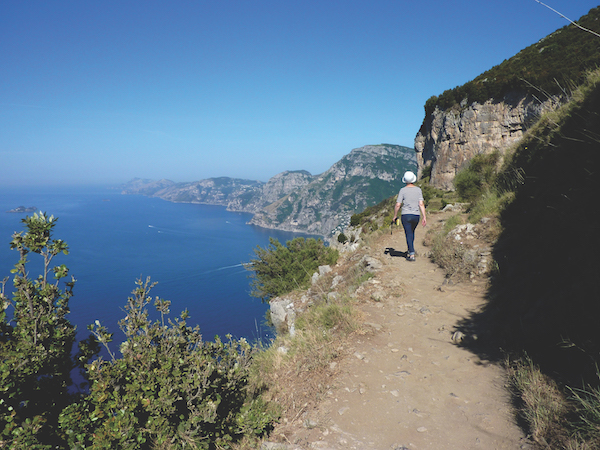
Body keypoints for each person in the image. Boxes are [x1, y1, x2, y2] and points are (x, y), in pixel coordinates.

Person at [393, 171, 427, 261]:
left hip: (406, 215)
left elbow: (397, 205)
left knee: (408, 233)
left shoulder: (402, 190)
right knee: (412, 232)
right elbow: (421, 204)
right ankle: (410, 249)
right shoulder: (418, 190)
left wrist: (395, 215)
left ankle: (411, 254)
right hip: (416, 215)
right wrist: (424, 217)